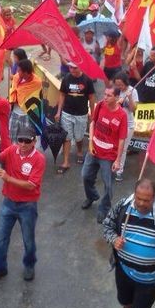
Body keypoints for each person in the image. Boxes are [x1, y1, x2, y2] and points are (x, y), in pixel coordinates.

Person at [102, 178, 155, 308]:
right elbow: (107, 225)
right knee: (125, 302)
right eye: (138, 198)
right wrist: (114, 239)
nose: (141, 203)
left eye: (146, 200)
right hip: (123, 272)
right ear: (134, 193)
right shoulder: (123, 206)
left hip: (148, 281)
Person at [0, 125, 46, 283]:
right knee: (0, 239)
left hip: (28, 206)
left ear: (34, 141)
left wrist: (7, 178)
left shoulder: (39, 159)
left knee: (28, 239)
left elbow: (31, 185)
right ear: (16, 140)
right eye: (20, 140)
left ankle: (29, 265)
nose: (23, 144)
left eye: (27, 141)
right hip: (8, 203)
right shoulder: (12, 150)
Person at [82, 86, 128, 224]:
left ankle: (104, 208)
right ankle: (92, 196)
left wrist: (118, 160)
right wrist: (90, 142)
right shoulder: (100, 105)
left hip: (108, 156)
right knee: (85, 176)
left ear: (116, 97)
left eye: (109, 95)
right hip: (94, 150)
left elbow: (122, 139)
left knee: (108, 185)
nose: (105, 97)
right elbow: (93, 123)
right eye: (105, 94)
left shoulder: (122, 116)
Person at [55, 62, 96, 173]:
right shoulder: (66, 78)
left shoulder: (87, 80)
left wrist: (93, 114)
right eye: (70, 67)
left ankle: (79, 151)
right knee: (67, 137)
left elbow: (91, 97)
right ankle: (66, 162)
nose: (72, 69)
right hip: (67, 113)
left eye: (74, 67)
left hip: (81, 114)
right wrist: (59, 112)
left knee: (79, 137)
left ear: (80, 67)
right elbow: (62, 94)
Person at [8, 59, 42, 142]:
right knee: (12, 138)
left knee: (26, 139)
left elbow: (36, 98)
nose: (17, 71)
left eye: (19, 70)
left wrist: (18, 93)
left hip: (28, 115)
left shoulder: (36, 82)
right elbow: (13, 91)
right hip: (15, 113)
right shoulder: (16, 77)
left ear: (26, 72)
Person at [113, 73, 138, 182]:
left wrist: (129, 98)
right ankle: (112, 164)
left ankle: (119, 170)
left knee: (122, 149)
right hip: (115, 123)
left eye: (121, 85)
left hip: (128, 124)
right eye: (117, 84)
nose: (119, 87)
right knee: (113, 146)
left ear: (126, 82)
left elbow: (133, 109)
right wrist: (117, 102)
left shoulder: (133, 91)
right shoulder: (116, 91)